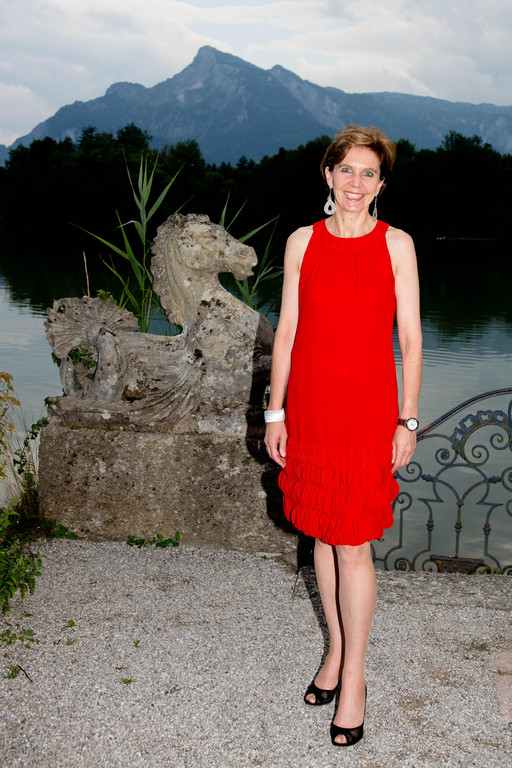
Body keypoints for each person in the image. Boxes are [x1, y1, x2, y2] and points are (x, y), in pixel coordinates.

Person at [264, 125, 422, 747]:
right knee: (323, 536)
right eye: (347, 170)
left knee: (352, 543)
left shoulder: (397, 245)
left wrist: (407, 419)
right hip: (310, 409)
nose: (356, 182)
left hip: (366, 413)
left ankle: (353, 676)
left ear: (381, 184)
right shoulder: (302, 242)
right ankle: (335, 649)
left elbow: (411, 341)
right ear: (328, 175)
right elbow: (286, 333)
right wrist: (274, 413)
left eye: (369, 173)